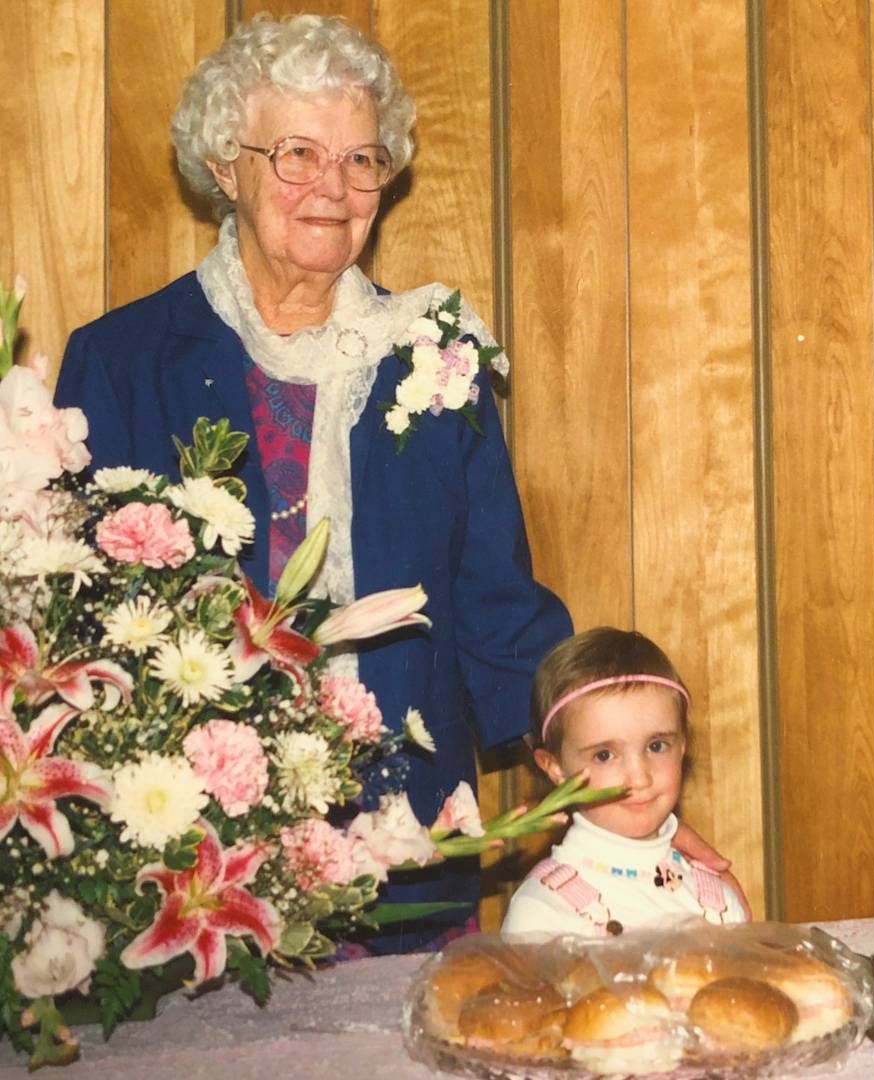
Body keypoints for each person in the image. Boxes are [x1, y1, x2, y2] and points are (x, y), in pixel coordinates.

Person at [52, 13, 572, 953]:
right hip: (190, 863)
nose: (332, 189)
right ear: (226, 165)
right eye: (297, 154)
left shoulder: (433, 356)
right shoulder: (123, 363)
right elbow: (81, 638)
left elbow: (498, 611)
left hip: (408, 846)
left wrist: (613, 764)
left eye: (361, 159)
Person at [501, 627, 752, 938]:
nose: (639, 777)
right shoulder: (543, 913)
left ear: (683, 746)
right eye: (605, 755)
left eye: (656, 746)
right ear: (555, 768)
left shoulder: (716, 900)